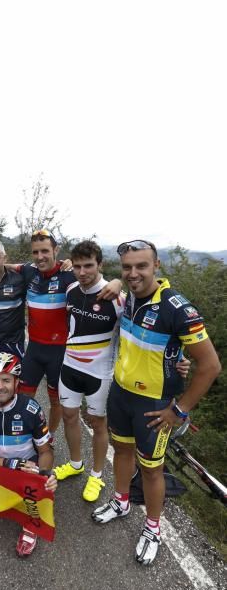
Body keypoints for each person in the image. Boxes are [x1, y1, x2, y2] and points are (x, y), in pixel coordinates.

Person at [92, 239, 221, 565]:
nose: (134, 273)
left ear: (156, 266)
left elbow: (210, 366)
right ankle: (121, 501)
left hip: (154, 405)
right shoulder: (128, 297)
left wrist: (179, 410)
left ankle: (153, 528)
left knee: (152, 470)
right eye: (127, 268)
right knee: (121, 451)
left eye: (141, 266)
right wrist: (118, 282)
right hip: (121, 394)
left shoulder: (177, 308)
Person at [7, 229, 121, 440]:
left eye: (45, 251)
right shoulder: (28, 270)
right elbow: (2, 266)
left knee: (55, 402)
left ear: (56, 250)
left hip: (59, 352)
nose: (40, 256)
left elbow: (94, 281)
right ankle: (23, 434)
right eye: (35, 252)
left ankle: (48, 436)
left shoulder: (70, 273)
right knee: (23, 396)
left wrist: (117, 282)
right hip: (34, 348)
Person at [0, 352, 57, 557]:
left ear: (17, 382)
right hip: (0, 463)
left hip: (27, 465)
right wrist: (6, 463)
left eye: (6, 380)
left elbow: (46, 451)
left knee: (38, 484)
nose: (0, 387)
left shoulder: (31, 409)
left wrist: (45, 472)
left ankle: (30, 526)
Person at [55, 240, 124, 501]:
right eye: (78, 266)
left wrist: (118, 281)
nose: (83, 272)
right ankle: (75, 464)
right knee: (70, 416)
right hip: (69, 366)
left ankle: (96, 476)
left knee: (98, 424)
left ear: (100, 265)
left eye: (89, 266)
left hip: (99, 374)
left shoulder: (117, 297)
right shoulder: (71, 289)